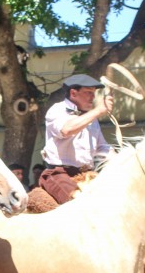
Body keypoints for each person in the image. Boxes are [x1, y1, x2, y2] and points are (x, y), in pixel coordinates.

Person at [39, 74, 113, 204]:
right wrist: (99, 111)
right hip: (59, 174)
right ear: (73, 93)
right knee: (80, 202)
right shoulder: (57, 110)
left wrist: (124, 160)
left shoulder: (91, 117)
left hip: (88, 174)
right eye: (88, 92)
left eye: (94, 93)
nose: (93, 97)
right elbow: (66, 130)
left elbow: (102, 148)